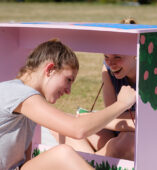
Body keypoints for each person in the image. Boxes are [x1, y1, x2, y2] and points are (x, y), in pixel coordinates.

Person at [0, 39, 136, 170]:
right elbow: (78, 130)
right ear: (50, 69)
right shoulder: (20, 94)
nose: (68, 91)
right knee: (63, 154)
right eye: (68, 79)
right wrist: (122, 103)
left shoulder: (22, 96)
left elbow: (26, 160)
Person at [52, 18, 137, 161]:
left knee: (125, 142)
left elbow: (146, 124)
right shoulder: (108, 70)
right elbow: (112, 113)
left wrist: (92, 119)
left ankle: (83, 162)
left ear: (135, 53)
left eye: (117, 57)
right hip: (119, 129)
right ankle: (95, 160)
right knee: (61, 124)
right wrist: (93, 120)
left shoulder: (150, 75)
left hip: (139, 136)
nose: (111, 63)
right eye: (106, 57)